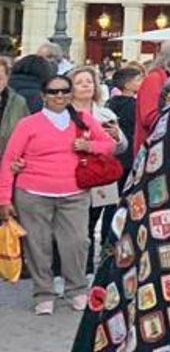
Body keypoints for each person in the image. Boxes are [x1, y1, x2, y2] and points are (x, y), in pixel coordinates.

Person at [0, 74, 114, 314]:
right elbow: (10, 160)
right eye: (53, 92)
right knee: (37, 245)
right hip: (32, 192)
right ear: (43, 96)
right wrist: (4, 199)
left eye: (64, 91)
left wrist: (88, 146)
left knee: (76, 243)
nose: (59, 96)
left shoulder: (83, 120)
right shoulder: (28, 124)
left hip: (74, 192)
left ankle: (77, 289)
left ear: (71, 94)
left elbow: (109, 145)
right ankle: (44, 292)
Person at [65, 65, 128, 253]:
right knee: (73, 224)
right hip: (71, 173)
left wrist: (117, 136)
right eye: (79, 82)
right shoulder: (62, 114)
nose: (86, 85)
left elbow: (120, 149)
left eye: (89, 81)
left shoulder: (106, 114)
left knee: (92, 223)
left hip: (99, 175)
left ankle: (88, 267)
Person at [0, 56, 34, 159]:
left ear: (7, 78)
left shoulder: (18, 103)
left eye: (0, 78)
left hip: (7, 166)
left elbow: (28, 136)